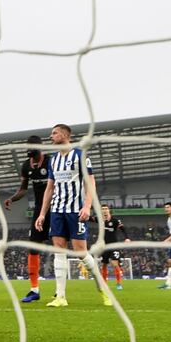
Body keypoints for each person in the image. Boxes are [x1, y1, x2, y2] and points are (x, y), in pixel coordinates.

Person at [34, 124, 110, 307]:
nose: (51, 136)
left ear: (66, 135)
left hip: (76, 211)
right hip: (57, 211)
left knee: (80, 252)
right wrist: (42, 214)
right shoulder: (53, 160)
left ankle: (103, 289)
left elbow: (90, 181)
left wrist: (87, 206)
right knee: (59, 249)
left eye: (54, 133)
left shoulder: (79, 155)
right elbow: (49, 188)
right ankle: (60, 297)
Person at [4, 135, 51, 303]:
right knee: (33, 248)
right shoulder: (26, 166)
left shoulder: (51, 162)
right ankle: (34, 290)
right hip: (39, 211)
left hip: (57, 207)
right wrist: (12, 198)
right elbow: (23, 188)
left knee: (65, 247)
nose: (28, 150)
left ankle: (61, 292)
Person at [88, 205, 130, 290]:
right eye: (102, 209)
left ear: (109, 210)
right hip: (104, 246)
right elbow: (89, 218)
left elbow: (123, 229)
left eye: (106, 209)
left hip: (114, 245)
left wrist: (127, 238)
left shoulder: (115, 221)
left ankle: (118, 284)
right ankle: (104, 283)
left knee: (115, 264)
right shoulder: (99, 219)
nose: (104, 210)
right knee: (104, 264)